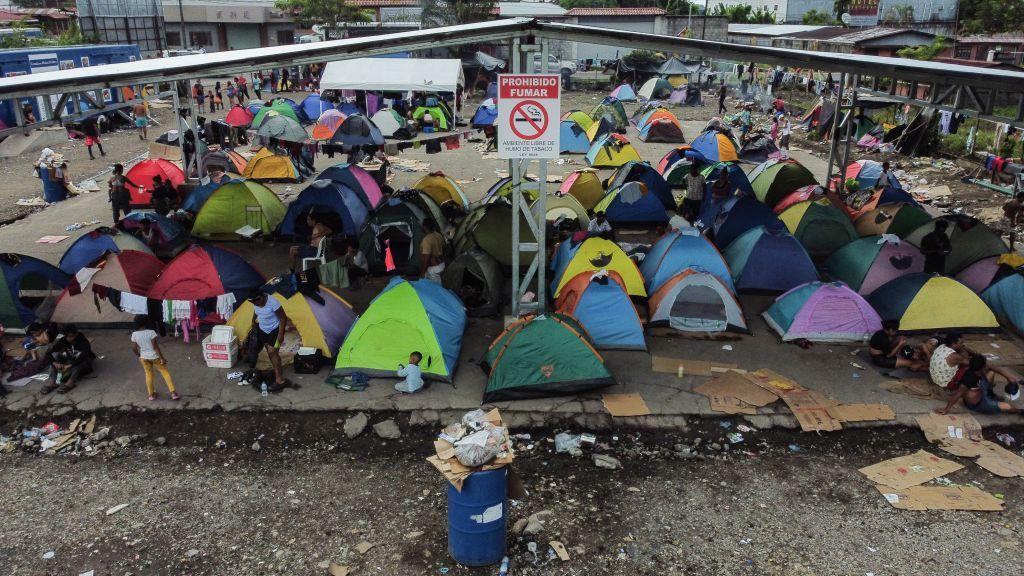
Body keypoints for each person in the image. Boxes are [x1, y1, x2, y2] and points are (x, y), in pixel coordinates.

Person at [938, 354, 1021, 415]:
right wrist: (946, 410)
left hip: (981, 389)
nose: (986, 366)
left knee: (991, 372)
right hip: (979, 403)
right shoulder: (968, 379)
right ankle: (1019, 411)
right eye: (985, 366)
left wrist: (1008, 377)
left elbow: (994, 368)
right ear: (982, 368)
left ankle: (990, 394)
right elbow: (957, 395)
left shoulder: (976, 368)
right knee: (1007, 406)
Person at [131, 315, 179, 401]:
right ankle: (173, 393)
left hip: (143, 357)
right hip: (154, 356)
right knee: (165, 372)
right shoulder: (151, 332)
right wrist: (162, 358)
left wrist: (139, 356)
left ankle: (151, 395)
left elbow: (134, 348)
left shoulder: (134, 334)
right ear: (146, 322)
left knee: (148, 374)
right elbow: (155, 347)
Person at [247, 291, 288, 388]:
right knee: (270, 352)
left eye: (256, 302)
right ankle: (276, 370)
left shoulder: (273, 302)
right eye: (252, 303)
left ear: (261, 297)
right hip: (263, 329)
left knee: (272, 352)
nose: (255, 304)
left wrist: (281, 334)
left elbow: (283, 318)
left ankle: (280, 379)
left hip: (275, 329)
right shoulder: (255, 302)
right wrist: (253, 320)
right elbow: (256, 311)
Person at [40, 325, 95, 394]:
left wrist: (70, 365)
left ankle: (71, 382)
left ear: (76, 334)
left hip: (84, 361)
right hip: (70, 359)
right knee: (56, 356)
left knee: (79, 362)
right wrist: (54, 363)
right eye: (67, 336)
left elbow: (84, 355)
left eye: (71, 336)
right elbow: (48, 353)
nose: (69, 339)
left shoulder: (83, 341)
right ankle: (54, 382)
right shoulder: (63, 340)